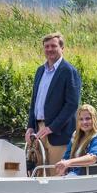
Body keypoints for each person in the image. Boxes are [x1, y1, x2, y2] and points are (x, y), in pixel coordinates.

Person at [24, 32, 81, 176]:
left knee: (56, 173)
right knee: (38, 173)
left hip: (59, 132)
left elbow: (72, 104)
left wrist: (52, 127)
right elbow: (34, 102)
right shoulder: (40, 71)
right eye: (47, 46)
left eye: (53, 46)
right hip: (38, 130)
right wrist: (30, 126)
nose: (50, 49)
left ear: (62, 48)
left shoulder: (69, 71)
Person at [55, 104, 97, 176]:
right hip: (73, 174)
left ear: (94, 119)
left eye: (88, 118)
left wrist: (69, 163)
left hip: (90, 176)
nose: (84, 122)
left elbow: (92, 158)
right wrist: (63, 168)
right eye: (81, 119)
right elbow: (67, 156)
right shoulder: (75, 136)